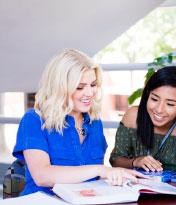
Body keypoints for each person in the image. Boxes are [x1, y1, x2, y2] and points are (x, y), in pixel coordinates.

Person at [12, 49, 147, 196]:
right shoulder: (34, 120)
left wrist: (120, 174)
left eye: (93, 84)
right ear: (60, 87)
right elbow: (42, 176)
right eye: (80, 87)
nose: (90, 93)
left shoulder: (94, 122)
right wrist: (99, 170)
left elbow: (95, 177)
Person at [109, 66, 176, 172]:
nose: (159, 109)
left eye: (170, 104)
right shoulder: (133, 116)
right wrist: (136, 162)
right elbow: (115, 161)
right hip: (138, 187)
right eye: (154, 99)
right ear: (148, 95)